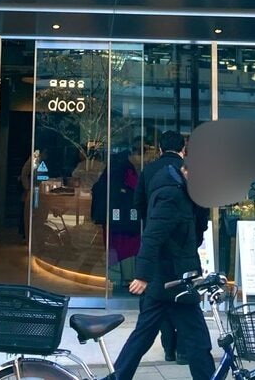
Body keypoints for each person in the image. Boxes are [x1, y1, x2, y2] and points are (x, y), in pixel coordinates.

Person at [113, 159, 214, 380]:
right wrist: (142, 275)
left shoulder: (183, 191)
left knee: (143, 336)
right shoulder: (172, 195)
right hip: (175, 280)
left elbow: (194, 229)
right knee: (197, 341)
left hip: (168, 279)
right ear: (187, 171)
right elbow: (152, 235)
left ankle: (117, 376)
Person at [133, 130, 208, 364]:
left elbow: (139, 204)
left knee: (161, 299)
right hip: (184, 248)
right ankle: (183, 351)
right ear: (183, 149)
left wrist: (152, 226)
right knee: (183, 300)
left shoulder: (149, 171)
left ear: (160, 148)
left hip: (158, 247)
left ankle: (168, 348)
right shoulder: (189, 171)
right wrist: (195, 237)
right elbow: (202, 212)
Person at [91, 149, 142, 290]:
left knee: (112, 247)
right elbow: (136, 188)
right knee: (129, 248)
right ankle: (127, 279)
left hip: (110, 219)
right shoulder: (128, 170)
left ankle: (114, 278)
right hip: (128, 218)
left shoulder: (107, 172)